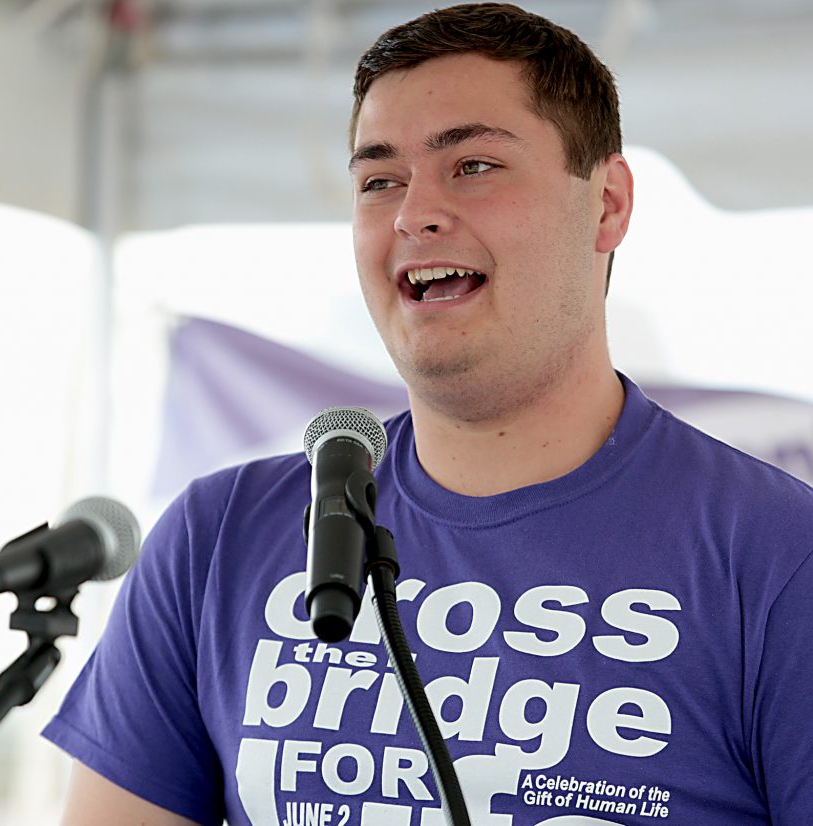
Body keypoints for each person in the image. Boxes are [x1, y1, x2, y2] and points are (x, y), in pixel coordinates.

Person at [42, 4, 813, 824]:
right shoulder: (219, 536)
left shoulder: (775, 555)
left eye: (474, 165)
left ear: (609, 204)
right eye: (379, 181)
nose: (414, 214)